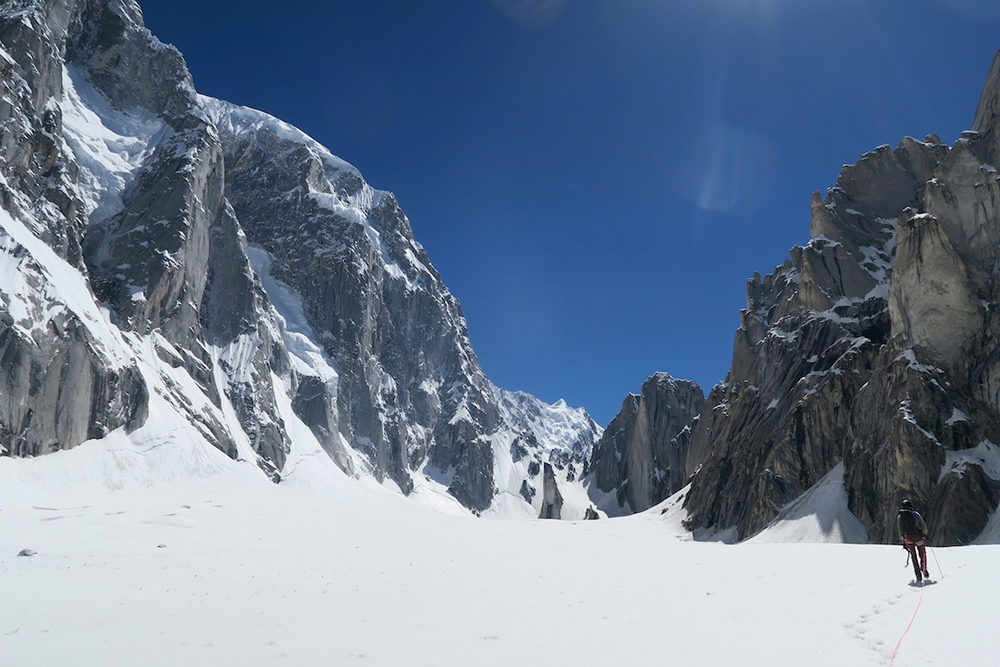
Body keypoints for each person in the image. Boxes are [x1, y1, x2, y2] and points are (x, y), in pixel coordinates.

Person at [897, 499, 929, 582]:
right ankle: (924, 569)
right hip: (918, 537)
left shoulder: (900, 517)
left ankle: (918, 574)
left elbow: (900, 530)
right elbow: (923, 526)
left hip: (908, 538)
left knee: (913, 557)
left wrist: (903, 541)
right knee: (922, 554)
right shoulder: (915, 514)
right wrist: (924, 534)